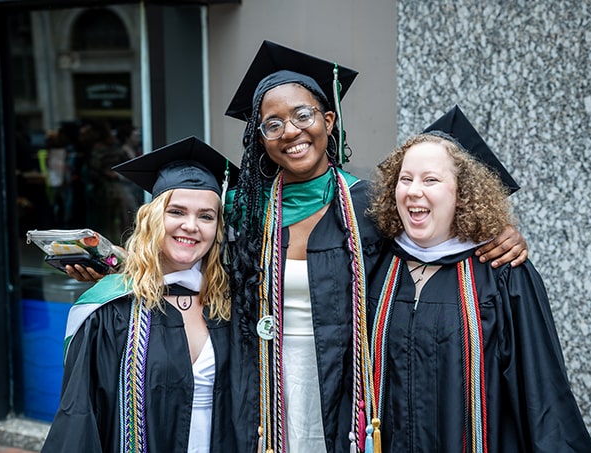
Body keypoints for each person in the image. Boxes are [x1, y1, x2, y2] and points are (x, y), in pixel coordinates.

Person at [222, 41, 529, 453]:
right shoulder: (243, 211)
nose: (290, 131)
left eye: (303, 114)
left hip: (351, 386)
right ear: (260, 138)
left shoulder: (368, 205)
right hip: (263, 385)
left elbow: (437, 230)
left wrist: (499, 234)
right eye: (272, 124)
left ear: (328, 121)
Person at [365, 107, 591, 452]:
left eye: (431, 180)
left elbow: (541, 391)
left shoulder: (503, 273)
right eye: (405, 178)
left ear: (462, 194)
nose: (414, 190)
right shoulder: (376, 264)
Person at [41, 136, 238, 453]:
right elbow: (80, 416)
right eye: (176, 211)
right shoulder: (112, 308)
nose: (191, 226)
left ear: (218, 228)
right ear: (152, 218)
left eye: (206, 216)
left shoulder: (231, 303)